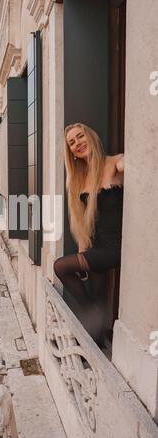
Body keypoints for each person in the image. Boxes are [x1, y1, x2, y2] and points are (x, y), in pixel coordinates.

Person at [53, 123, 124, 345]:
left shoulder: (115, 163)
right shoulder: (78, 180)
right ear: (71, 154)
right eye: (72, 143)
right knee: (98, 295)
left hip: (117, 248)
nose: (77, 144)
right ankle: (99, 339)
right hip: (96, 248)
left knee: (60, 266)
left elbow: (141, 164)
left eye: (80, 136)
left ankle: (90, 311)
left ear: (91, 136)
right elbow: (87, 223)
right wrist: (85, 249)